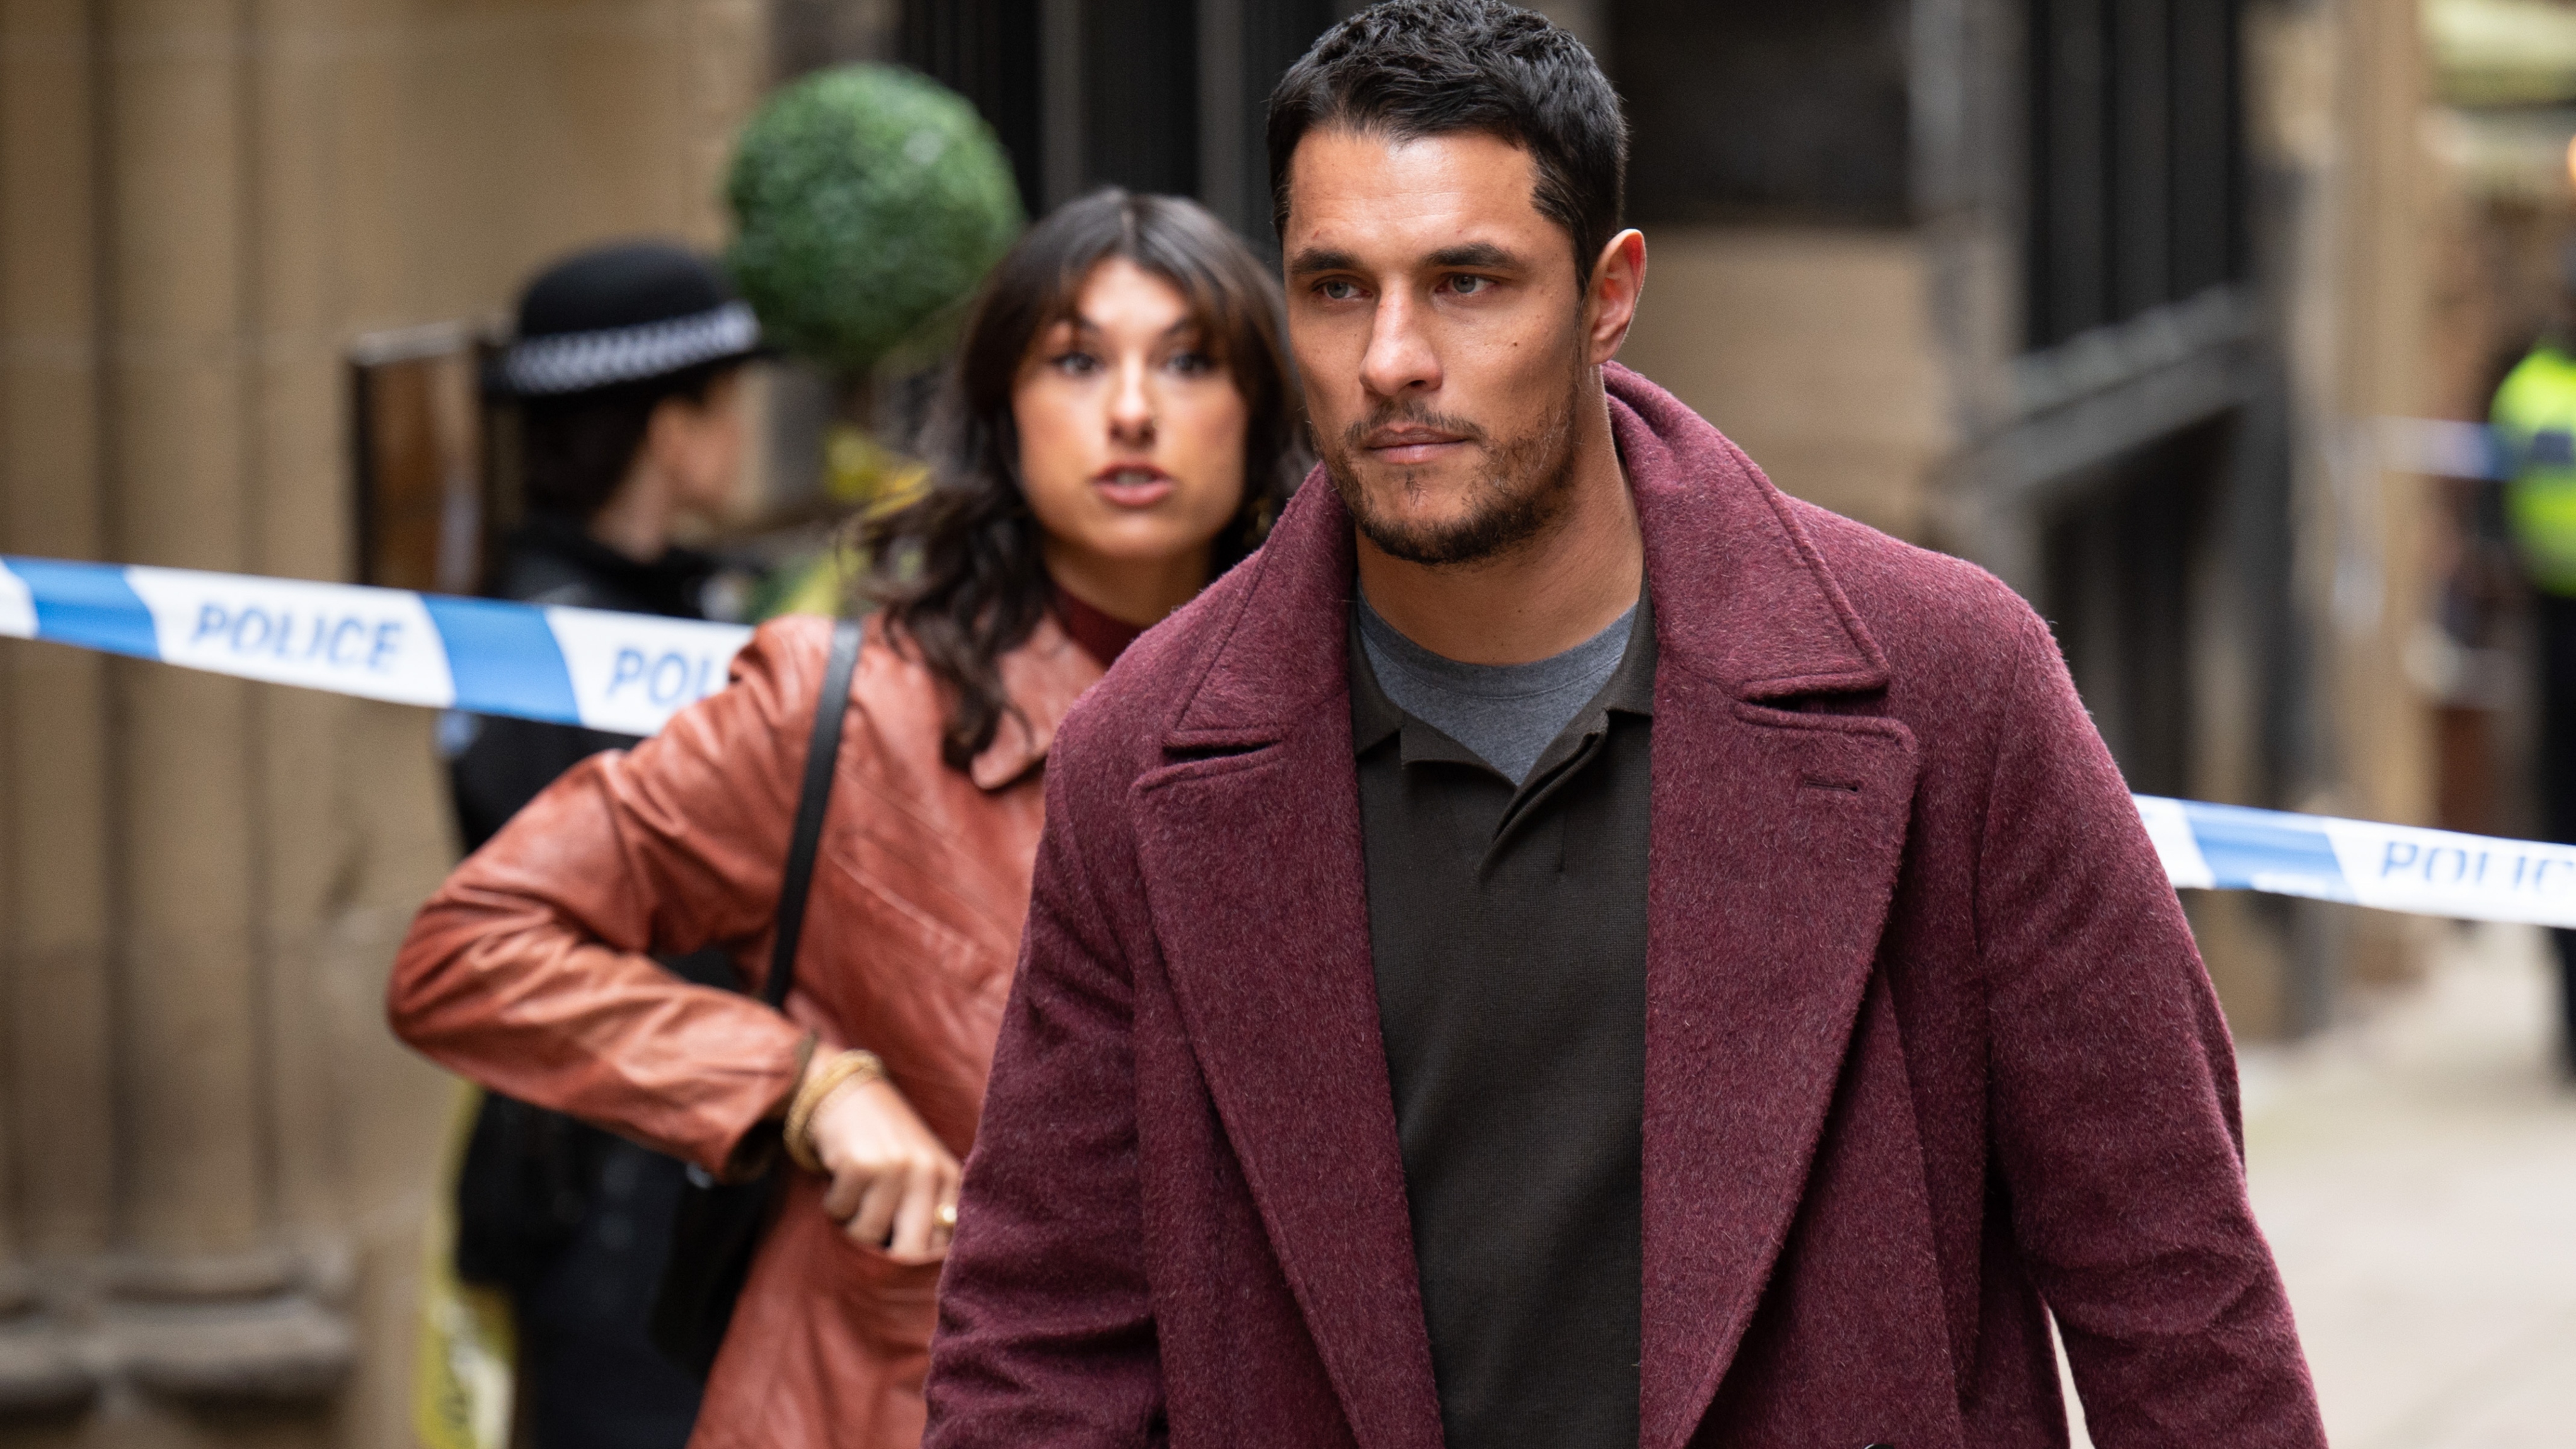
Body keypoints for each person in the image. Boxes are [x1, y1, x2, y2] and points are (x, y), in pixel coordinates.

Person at [922, 6, 2327, 1447]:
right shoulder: (1143, 754)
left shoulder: (1950, 683)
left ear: (1607, 296)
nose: (1392, 356)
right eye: (1335, 289)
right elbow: (1040, 1349)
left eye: (1467, 281)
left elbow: (2173, 1290)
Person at [388, 189, 1304, 1449]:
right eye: (1077, 361)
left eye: (1189, 361)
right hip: (895, 1400)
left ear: (1259, 411)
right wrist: (802, 1084)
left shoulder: (1341, 714)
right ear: (1003, 412)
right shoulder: (852, 709)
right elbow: (469, 949)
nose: (1133, 409)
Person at [439, 239, 763, 1449]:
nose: (742, 432)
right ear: (671, 431)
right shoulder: (538, 648)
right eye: (725, 403)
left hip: (695, 1173)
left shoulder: (684, 604)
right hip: (610, 1188)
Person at [2489, 256, 2576, 1074]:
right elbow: (2493, 515)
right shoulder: (2527, 392)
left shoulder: (2527, 391)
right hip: (2554, 627)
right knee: (2560, 818)